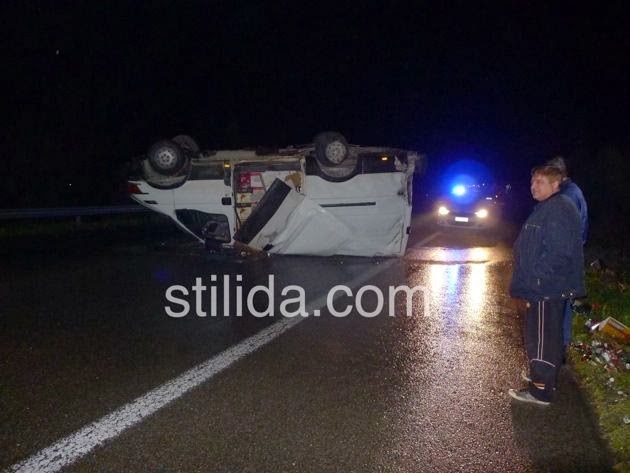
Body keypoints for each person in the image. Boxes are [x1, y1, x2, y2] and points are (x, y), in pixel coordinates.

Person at [509, 165, 585, 405]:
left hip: (545, 288)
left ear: (556, 185)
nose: (534, 187)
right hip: (545, 286)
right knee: (547, 338)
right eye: (533, 182)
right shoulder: (550, 207)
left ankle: (540, 390)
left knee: (541, 339)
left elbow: (559, 253)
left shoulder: (559, 209)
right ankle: (542, 377)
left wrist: (536, 279)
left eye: (540, 182)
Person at [546, 157, 588, 352]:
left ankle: (558, 349)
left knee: (560, 303)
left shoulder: (568, 195)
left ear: (559, 175)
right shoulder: (570, 192)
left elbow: (562, 231)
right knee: (561, 302)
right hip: (569, 255)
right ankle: (559, 346)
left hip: (565, 258)